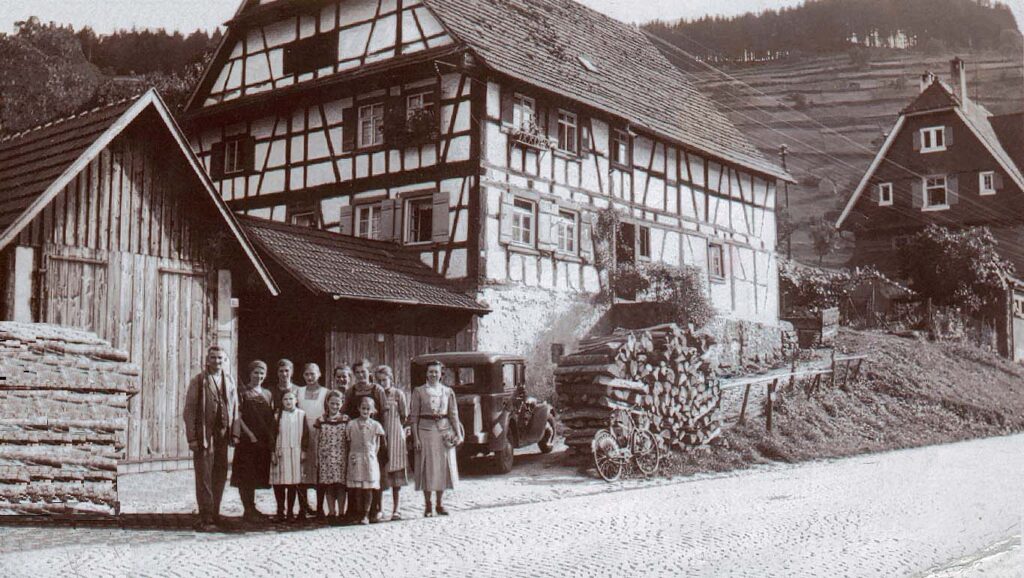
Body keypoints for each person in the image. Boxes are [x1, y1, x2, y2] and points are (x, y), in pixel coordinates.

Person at [183, 345, 238, 532]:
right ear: (207, 360)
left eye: (220, 358)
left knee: (220, 474)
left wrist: (235, 433)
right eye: (213, 358)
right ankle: (205, 517)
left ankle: (215, 512)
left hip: (222, 434)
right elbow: (189, 411)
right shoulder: (199, 381)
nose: (217, 361)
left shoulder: (229, 381)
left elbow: (235, 408)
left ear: (225, 361)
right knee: (204, 475)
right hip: (204, 435)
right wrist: (192, 437)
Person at [410, 360, 461, 518]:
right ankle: (428, 505)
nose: (433, 374)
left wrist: (458, 433)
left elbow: (453, 413)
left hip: (444, 431)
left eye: (436, 372)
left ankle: (440, 503)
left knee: (442, 467)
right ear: (426, 373)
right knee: (427, 468)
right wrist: (416, 438)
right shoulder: (419, 391)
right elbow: (413, 418)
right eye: (431, 371)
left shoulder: (447, 391)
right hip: (425, 431)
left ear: (441, 374)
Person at [341, 359, 387, 521]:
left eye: (364, 372)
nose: (361, 375)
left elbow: (384, 414)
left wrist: (383, 438)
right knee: (356, 474)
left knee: (374, 473)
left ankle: (375, 510)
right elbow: (345, 412)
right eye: (358, 372)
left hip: (373, 436)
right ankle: (354, 511)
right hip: (355, 436)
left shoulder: (377, 390)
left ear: (369, 373)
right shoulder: (351, 391)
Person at [231, 360, 275, 523]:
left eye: (262, 373)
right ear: (250, 373)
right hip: (247, 441)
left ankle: (253, 508)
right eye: (256, 372)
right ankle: (247, 509)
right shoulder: (242, 391)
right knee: (245, 475)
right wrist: (249, 435)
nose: (259, 376)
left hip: (262, 441)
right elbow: (238, 415)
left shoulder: (267, 393)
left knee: (257, 474)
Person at [346, 397, 387, 525]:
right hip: (355, 457)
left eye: (368, 409)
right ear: (359, 409)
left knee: (368, 487)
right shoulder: (351, 424)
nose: (365, 411)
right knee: (357, 487)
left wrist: (372, 455)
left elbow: (379, 444)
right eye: (363, 408)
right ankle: (358, 513)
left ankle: (366, 513)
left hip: (369, 458)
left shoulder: (376, 425)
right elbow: (348, 442)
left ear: (372, 410)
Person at [376, 365, 409, 521]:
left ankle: (397, 509)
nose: (382, 383)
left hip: (395, 435)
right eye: (379, 380)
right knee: (381, 472)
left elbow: (404, 416)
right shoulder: (377, 394)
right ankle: (380, 509)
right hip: (380, 436)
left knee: (396, 472)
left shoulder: (398, 394)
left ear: (391, 379)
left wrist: (395, 429)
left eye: (385, 380)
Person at [270, 390, 308, 523]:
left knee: (293, 483)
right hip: (280, 451)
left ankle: (291, 512)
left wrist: (304, 450)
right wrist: (273, 452)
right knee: (279, 483)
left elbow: (306, 435)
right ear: (282, 401)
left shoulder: (301, 415)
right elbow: (272, 435)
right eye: (285, 399)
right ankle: (281, 511)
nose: (288, 402)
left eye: (291, 399)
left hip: (296, 453)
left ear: (296, 400)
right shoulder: (277, 415)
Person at [296, 362, 328, 518]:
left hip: (319, 434)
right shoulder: (298, 392)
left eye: (313, 374)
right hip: (302, 434)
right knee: (302, 471)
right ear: (303, 376)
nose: (310, 377)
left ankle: (320, 508)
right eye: (307, 374)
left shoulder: (325, 392)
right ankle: (303, 508)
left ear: (319, 374)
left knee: (319, 471)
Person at [315, 390, 349, 524]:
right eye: (332, 403)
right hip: (326, 457)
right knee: (329, 485)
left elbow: (349, 439)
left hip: (341, 456)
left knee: (340, 485)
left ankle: (341, 512)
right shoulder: (321, 420)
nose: (334, 406)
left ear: (341, 404)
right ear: (327, 403)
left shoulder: (345, 419)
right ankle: (331, 512)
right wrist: (317, 458)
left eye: (337, 403)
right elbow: (317, 440)